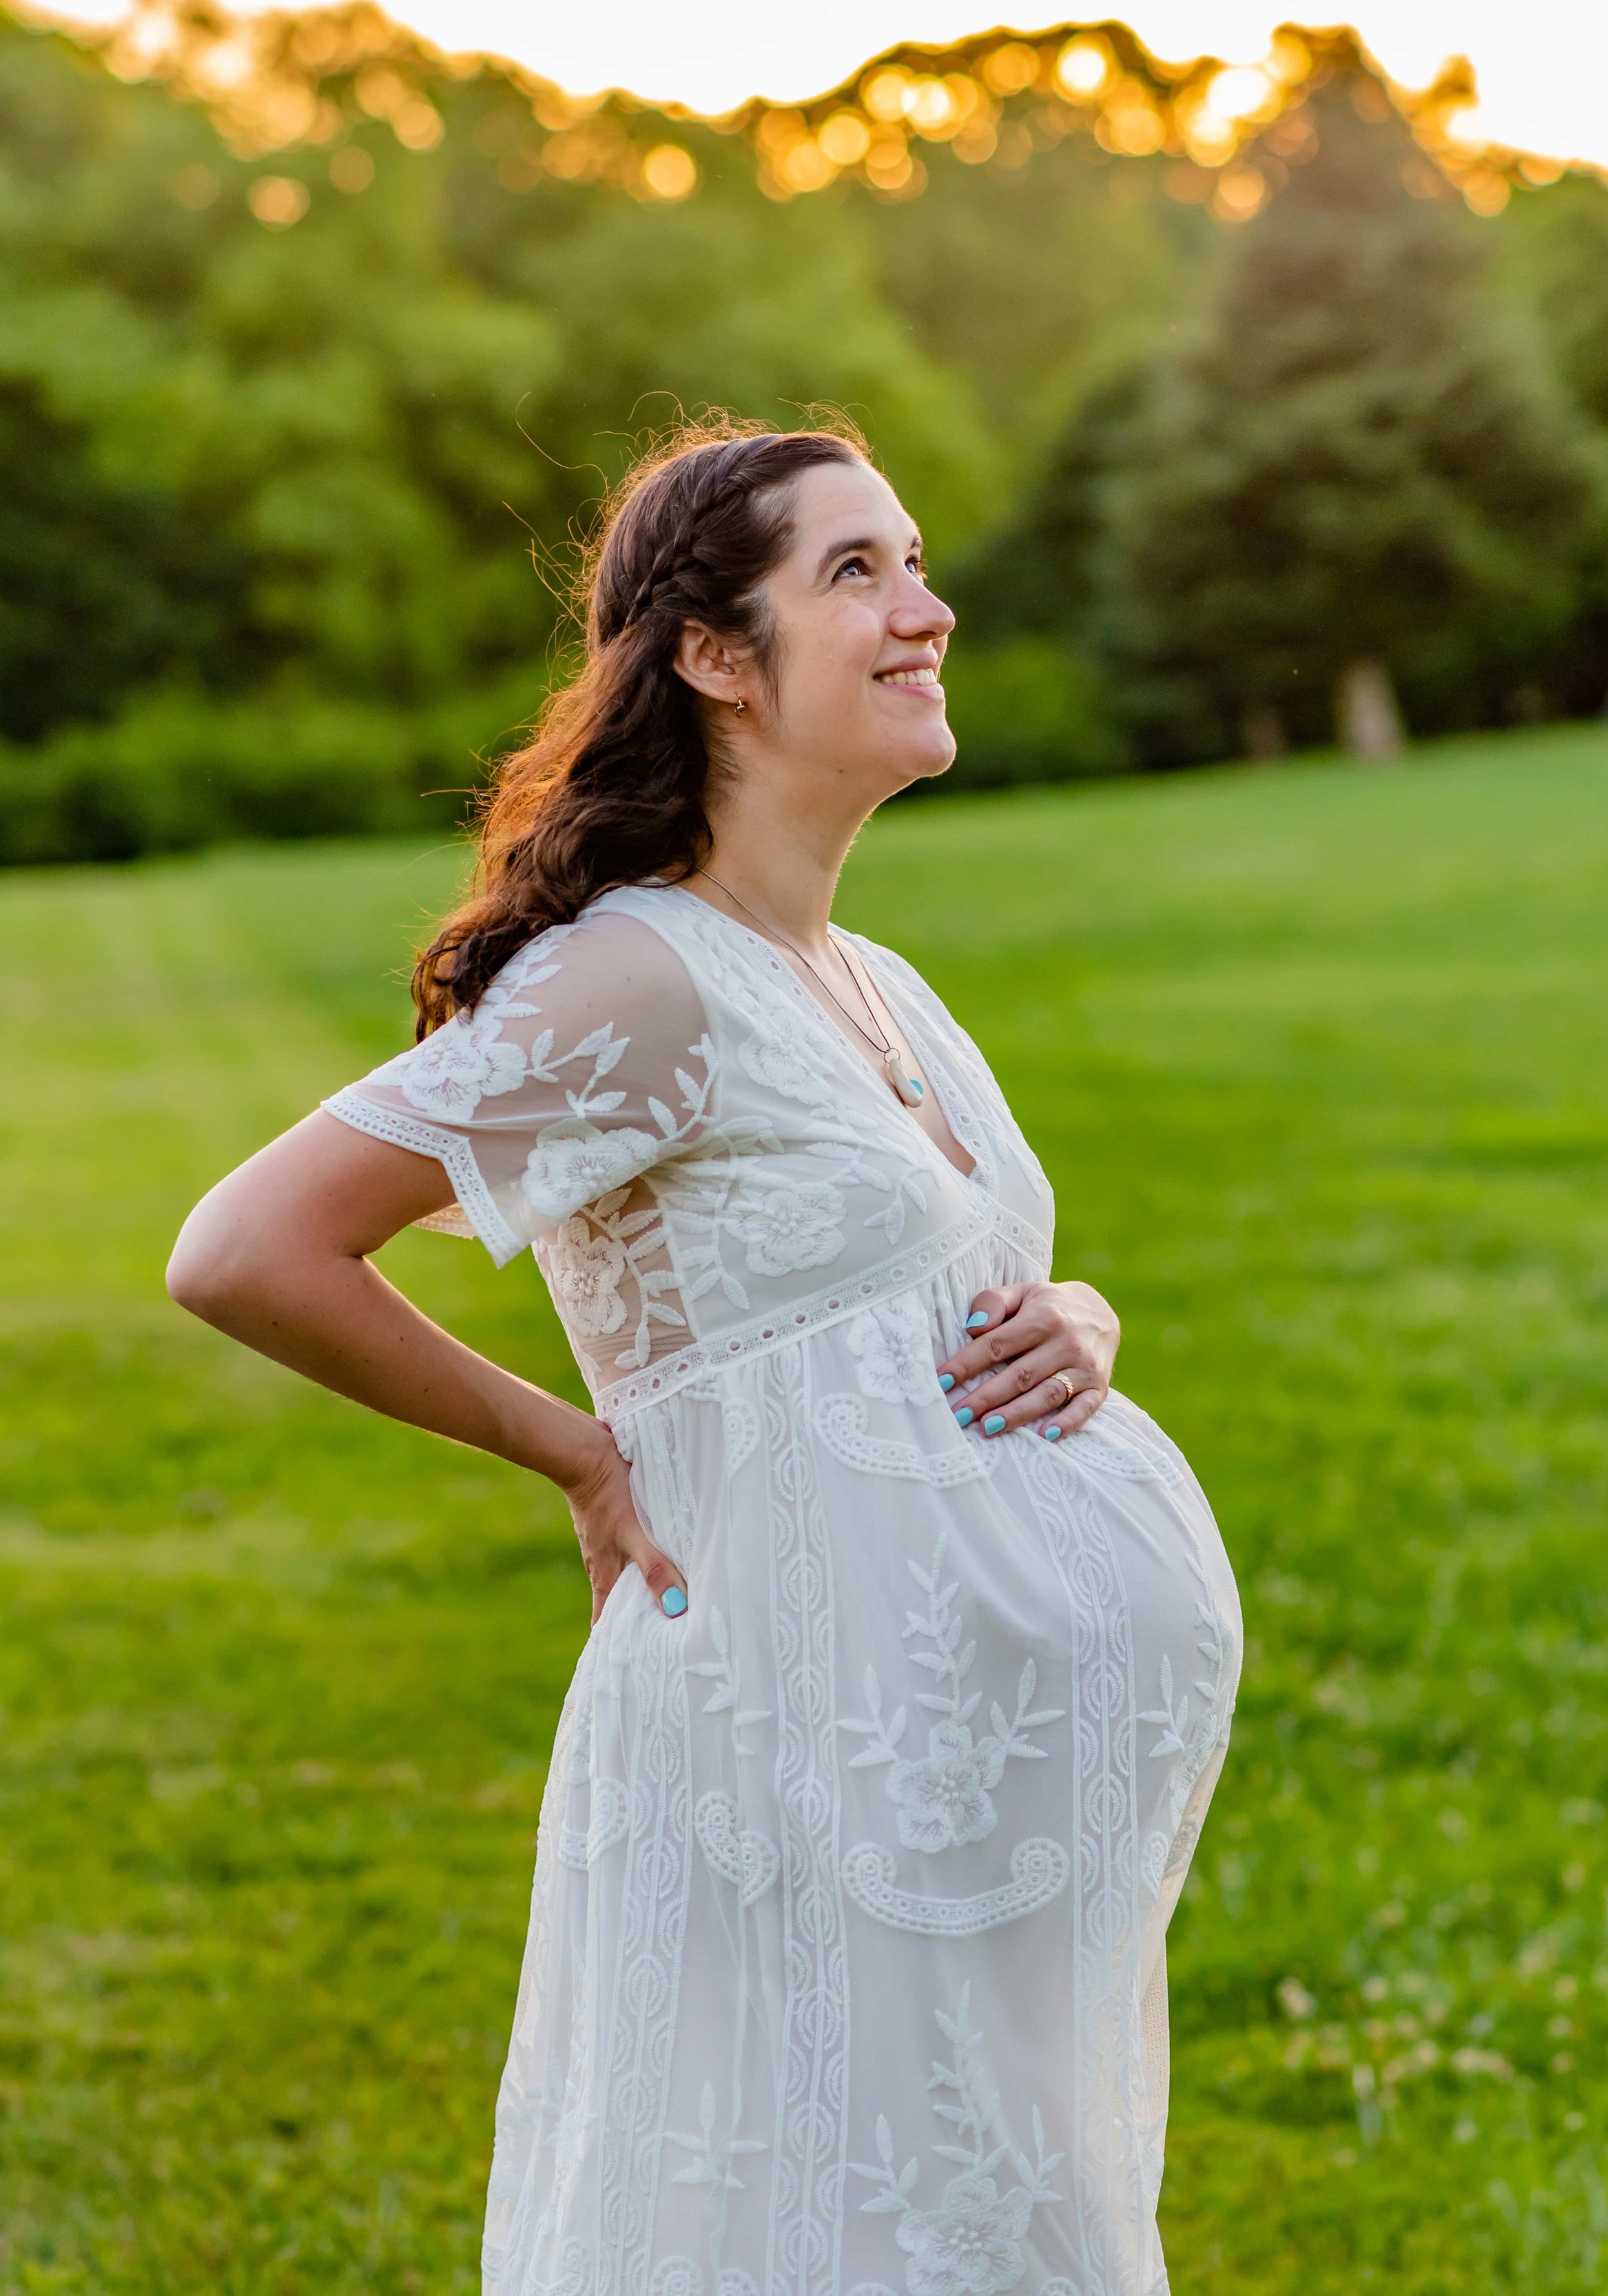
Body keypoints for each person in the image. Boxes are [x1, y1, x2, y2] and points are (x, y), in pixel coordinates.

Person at [168, 422, 1242, 2296]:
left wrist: (1082, 1325)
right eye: (856, 573)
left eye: (913, 559)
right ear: (713, 656)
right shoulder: (638, 977)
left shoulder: (874, 978)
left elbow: (946, 1280)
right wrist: (580, 1455)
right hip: (793, 1764)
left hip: (953, 1825)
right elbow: (248, 1249)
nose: (929, 608)